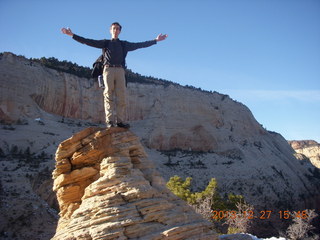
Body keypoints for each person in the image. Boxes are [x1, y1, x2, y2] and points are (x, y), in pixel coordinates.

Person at [61, 22, 168, 128]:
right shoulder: (105, 43)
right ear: (110, 30)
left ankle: (120, 121)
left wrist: (155, 40)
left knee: (121, 96)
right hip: (108, 70)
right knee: (108, 95)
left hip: (120, 71)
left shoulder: (124, 44)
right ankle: (110, 121)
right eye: (114, 28)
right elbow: (88, 42)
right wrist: (72, 35)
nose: (115, 30)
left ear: (120, 31)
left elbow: (140, 45)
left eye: (117, 29)